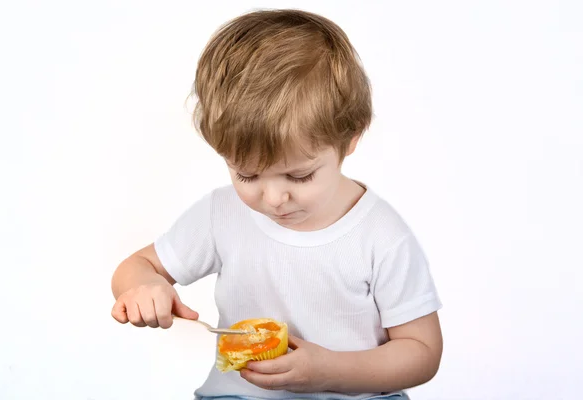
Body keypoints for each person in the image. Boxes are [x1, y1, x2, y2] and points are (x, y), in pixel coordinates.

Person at [111, 8, 443, 400]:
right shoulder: (221, 215)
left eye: (299, 176)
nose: (271, 199)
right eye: (246, 175)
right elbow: (136, 267)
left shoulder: (380, 235)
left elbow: (422, 353)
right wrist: (144, 286)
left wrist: (328, 371)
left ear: (350, 138)